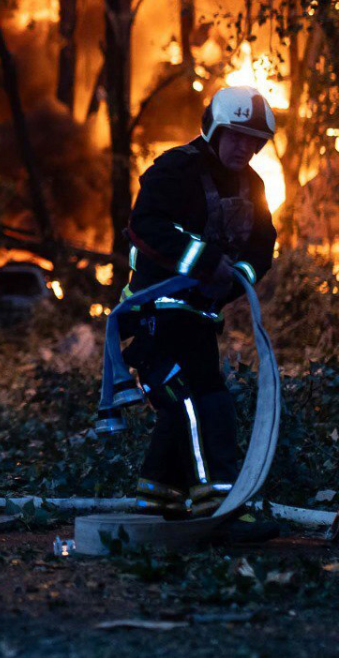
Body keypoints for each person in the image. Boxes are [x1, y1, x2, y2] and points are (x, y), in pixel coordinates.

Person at [121, 86, 278, 537]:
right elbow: (145, 225)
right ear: (213, 128)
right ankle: (218, 506)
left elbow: (260, 249)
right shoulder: (176, 170)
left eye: (254, 141)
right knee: (194, 404)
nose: (245, 148)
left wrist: (233, 278)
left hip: (200, 319)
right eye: (236, 136)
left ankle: (159, 500)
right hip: (155, 315)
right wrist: (206, 261)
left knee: (199, 401)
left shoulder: (253, 185)